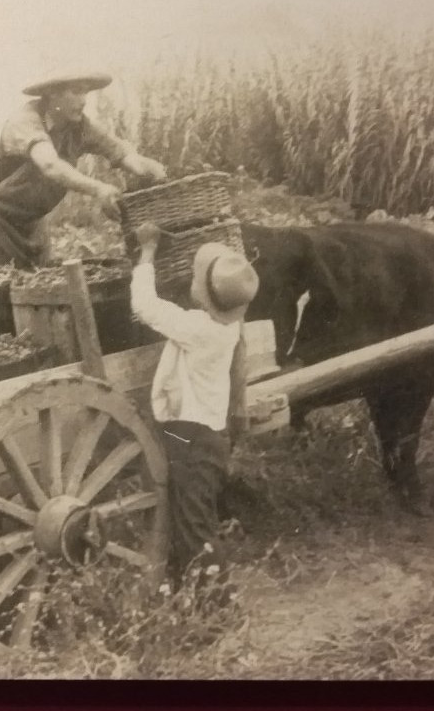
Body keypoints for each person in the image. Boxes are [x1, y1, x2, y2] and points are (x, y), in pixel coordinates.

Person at [130, 222, 259, 600]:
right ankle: (194, 592)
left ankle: (216, 610)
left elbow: (144, 307)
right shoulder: (227, 329)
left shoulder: (198, 329)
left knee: (196, 527)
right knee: (193, 515)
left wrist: (148, 253)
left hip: (190, 436)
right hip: (203, 435)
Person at [0, 72, 166, 267]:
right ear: (52, 94)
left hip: (33, 221)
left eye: (85, 93)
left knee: (40, 284)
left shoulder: (79, 126)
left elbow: (121, 153)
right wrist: (98, 188)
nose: (83, 101)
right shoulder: (24, 121)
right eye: (76, 92)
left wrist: (149, 168)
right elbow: (50, 165)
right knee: (5, 288)